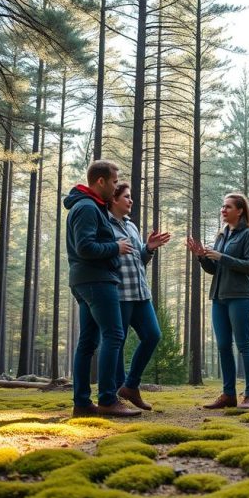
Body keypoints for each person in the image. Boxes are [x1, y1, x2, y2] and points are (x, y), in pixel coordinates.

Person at [63, 159, 139, 418]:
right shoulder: (86, 208)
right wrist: (115, 247)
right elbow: (86, 247)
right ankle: (107, 399)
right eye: (115, 181)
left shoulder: (89, 206)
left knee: (88, 342)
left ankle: (82, 403)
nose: (116, 186)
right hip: (96, 280)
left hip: (86, 280)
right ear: (100, 181)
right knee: (114, 335)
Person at [186, 193, 249, 410]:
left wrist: (221, 257)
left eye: (228, 206)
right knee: (223, 346)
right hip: (219, 298)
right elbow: (214, 270)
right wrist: (202, 256)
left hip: (240, 296)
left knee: (244, 344)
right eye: (222, 206)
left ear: (240, 210)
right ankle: (228, 395)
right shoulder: (222, 236)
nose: (223, 210)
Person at [108, 183, 171, 410]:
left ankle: (130, 385)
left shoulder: (131, 226)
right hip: (119, 293)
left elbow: (139, 259)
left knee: (153, 335)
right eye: (127, 196)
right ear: (114, 199)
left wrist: (149, 248)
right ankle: (115, 394)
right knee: (117, 342)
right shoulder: (104, 223)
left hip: (141, 292)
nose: (131, 200)